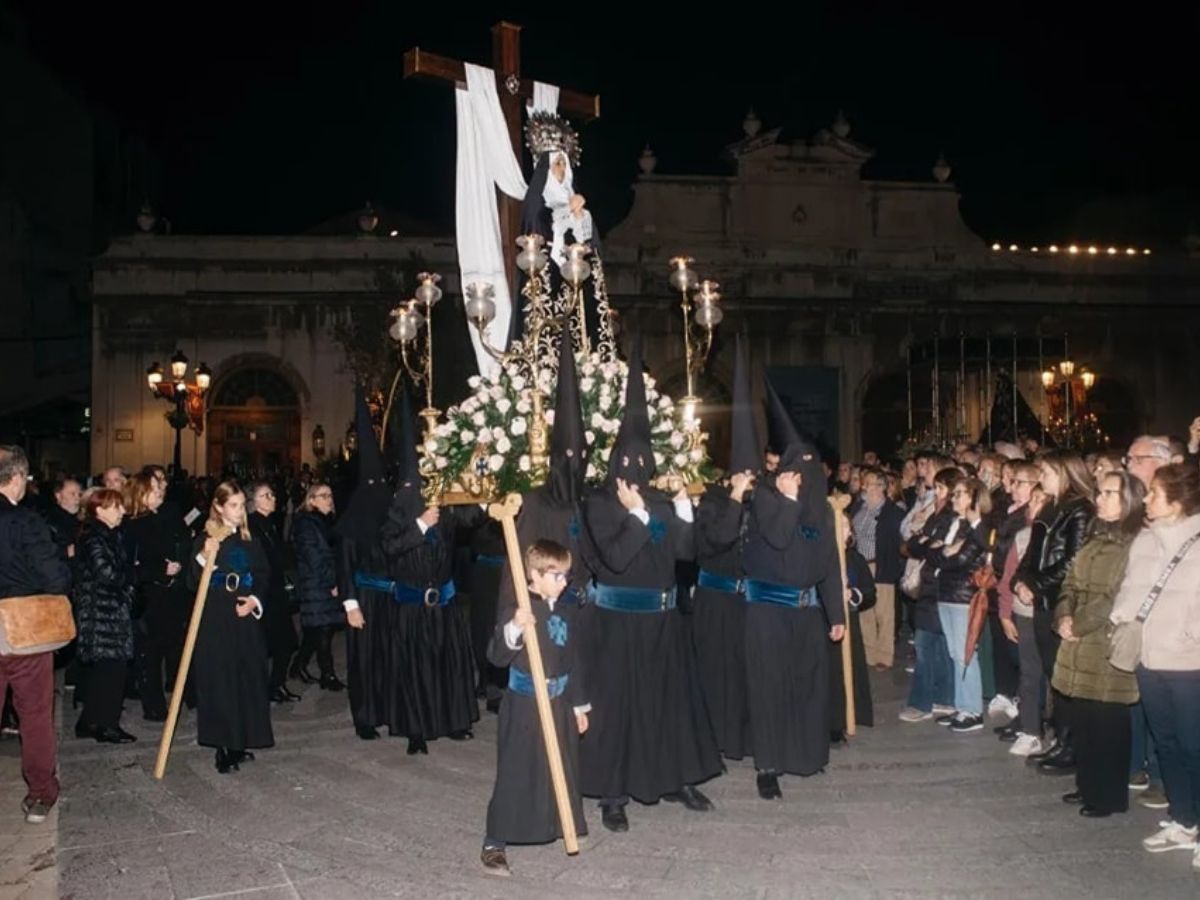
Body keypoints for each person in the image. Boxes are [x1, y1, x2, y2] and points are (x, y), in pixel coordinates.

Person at [578, 334, 719, 831]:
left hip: (662, 622)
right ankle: (613, 794)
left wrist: (681, 509)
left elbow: (685, 554)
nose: (636, 471)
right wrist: (638, 519)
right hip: (616, 624)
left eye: (644, 463)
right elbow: (612, 560)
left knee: (669, 706)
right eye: (628, 464)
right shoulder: (598, 506)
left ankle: (675, 778)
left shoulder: (658, 504)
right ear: (615, 465)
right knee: (618, 711)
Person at [741, 383, 845, 798]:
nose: (803, 474)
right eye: (795, 465)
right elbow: (780, 539)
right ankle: (768, 764)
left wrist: (835, 613)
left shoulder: (821, 508)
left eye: (810, 465)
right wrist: (785, 499)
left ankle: (805, 755)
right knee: (769, 687)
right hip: (767, 612)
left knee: (807, 685)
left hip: (806, 611)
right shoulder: (765, 498)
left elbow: (829, 563)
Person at [481, 540, 590, 877]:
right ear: (534, 574)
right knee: (518, 769)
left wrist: (579, 706)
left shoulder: (566, 609)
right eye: (557, 576)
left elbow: (575, 661)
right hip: (525, 705)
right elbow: (496, 656)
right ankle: (494, 842)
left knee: (560, 765)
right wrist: (515, 627)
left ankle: (556, 824)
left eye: (566, 576)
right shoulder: (518, 607)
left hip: (559, 702)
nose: (564, 582)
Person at [1111, 464, 1200, 858]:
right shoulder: (1144, 541)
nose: (1145, 499)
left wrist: (1188, 634)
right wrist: (1121, 618)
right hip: (1148, 657)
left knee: (1194, 744)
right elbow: (1130, 586)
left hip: (1188, 662)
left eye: (1154, 493)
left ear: (1178, 501)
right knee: (1166, 742)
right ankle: (1183, 819)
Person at [1052, 470, 1145, 817]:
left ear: (1129, 501)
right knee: (1085, 720)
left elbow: (1117, 595)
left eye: (1109, 494)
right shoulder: (1094, 537)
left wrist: (1078, 623)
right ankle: (1087, 784)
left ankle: (1107, 796)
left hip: (1105, 640)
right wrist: (1063, 614)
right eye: (1100, 492)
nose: (1100, 499)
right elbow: (1070, 584)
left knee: (1107, 723)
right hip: (1077, 638)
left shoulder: (1135, 543)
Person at [692, 335, 757, 761]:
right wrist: (734, 498)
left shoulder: (763, 500)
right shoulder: (715, 499)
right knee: (716, 675)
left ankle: (744, 739)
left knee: (746, 676)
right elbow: (715, 540)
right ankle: (713, 740)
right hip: (714, 602)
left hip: (749, 603)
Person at [0, 446, 72, 823]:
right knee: (34, 714)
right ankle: (41, 794)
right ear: (17, 479)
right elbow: (55, 578)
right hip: (21, 631)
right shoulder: (26, 522)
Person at [188, 481, 273, 773]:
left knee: (246, 675)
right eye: (233, 505)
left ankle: (241, 740)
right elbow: (191, 581)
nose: (238, 511)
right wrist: (203, 556)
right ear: (219, 507)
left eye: (240, 505)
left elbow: (263, 574)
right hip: (216, 615)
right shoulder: (205, 538)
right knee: (220, 678)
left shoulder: (250, 539)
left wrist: (253, 600)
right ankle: (223, 744)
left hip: (244, 613)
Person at [71, 488, 137, 743]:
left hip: (108, 611)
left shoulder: (106, 535)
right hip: (102, 613)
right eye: (116, 507)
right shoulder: (94, 537)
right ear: (100, 510)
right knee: (111, 670)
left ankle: (89, 721)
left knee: (108, 669)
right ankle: (106, 725)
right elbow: (106, 573)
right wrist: (131, 579)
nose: (122, 511)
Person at [125, 472, 192, 721]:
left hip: (168, 594)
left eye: (159, 488)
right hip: (149, 596)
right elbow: (131, 564)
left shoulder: (161, 517)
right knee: (150, 653)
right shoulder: (132, 524)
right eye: (153, 489)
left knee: (173, 644)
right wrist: (161, 570)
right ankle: (153, 705)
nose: (159, 492)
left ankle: (181, 693)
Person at [247, 481, 300, 704]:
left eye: (271, 494)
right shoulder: (252, 526)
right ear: (253, 501)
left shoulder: (269, 523)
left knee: (285, 642)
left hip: (276, 591)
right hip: (265, 594)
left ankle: (276, 684)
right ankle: (267, 687)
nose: (272, 498)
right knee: (276, 643)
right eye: (265, 495)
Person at [290, 483, 343, 691]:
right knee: (323, 629)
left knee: (317, 629)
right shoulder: (306, 524)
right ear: (311, 500)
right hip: (316, 583)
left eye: (330, 495)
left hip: (322, 581)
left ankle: (298, 665)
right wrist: (331, 581)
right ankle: (327, 675)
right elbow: (314, 557)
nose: (329, 499)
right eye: (323, 496)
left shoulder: (325, 521)